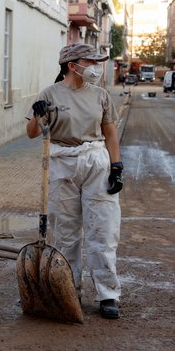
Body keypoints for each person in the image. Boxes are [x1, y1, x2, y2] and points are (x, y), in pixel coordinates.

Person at [26, 43, 123, 319]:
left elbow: (111, 133)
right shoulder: (50, 94)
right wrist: (37, 113)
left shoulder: (101, 95)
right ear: (72, 66)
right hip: (61, 163)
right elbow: (32, 133)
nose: (95, 67)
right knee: (67, 234)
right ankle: (69, 288)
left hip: (96, 161)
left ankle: (108, 294)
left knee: (103, 229)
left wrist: (117, 166)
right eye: (90, 62)